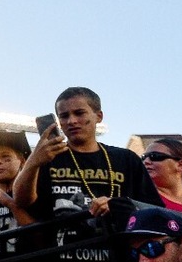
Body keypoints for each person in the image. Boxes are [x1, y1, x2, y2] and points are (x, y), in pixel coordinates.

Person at [13, 87, 163, 220]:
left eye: (79, 113)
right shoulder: (47, 158)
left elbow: (155, 210)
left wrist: (117, 205)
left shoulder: (126, 159)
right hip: (64, 248)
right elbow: (22, 201)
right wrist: (33, 162)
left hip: (117, 247)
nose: (71, 121)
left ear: (98, 116)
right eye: (64, 116)